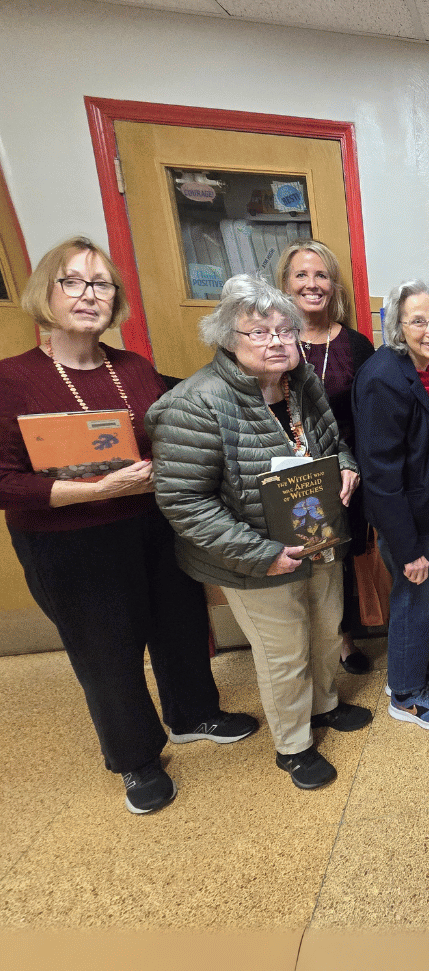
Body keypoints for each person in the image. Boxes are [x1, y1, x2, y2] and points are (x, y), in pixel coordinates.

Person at [0, 237, 256, 815]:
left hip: (153, 522)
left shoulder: (133, 369)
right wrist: (88, 491)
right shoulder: (12, 379)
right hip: (68, 540)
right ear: (48, 289)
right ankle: (136, 757)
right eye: (74, 282)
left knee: (180, 623)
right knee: (106, 649)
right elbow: (4, 479)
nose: (89, 295)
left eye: (102, 285)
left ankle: (193, 713)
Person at [146, 275, 371, 792]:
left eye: (285, 330)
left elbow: (333, 443)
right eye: (259, 332)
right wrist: (262, 553)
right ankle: (293, 745)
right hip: (255, 556)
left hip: (316, 533)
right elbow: (184, 501)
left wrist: (347, 466)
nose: (276, 341)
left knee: (325, 628)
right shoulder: (195, 403)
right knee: (284, 651)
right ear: (228, 339)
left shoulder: (300, 383)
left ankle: (324, 707)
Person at [353, 280, 429, 730]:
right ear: (397, 326)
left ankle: (410, 666)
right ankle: (406, 694)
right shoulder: (385, 378)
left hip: (427, 510)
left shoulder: (423, 368)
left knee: (421, 600)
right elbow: (380, 475)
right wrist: (407, 547)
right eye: (418, 321)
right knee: (415, 600)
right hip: (408, 521)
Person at [276, 239, 376, 675]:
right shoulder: (270, 340)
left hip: (345, 470)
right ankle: (301, 645)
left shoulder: (356, 345)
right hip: (288, 471)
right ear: (284, 284)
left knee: (343, 559)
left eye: (320, 275)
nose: (312, 284)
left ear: (333, 286)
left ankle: (343, 638)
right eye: (301, 275)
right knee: (295, 554)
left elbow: (369, 413)